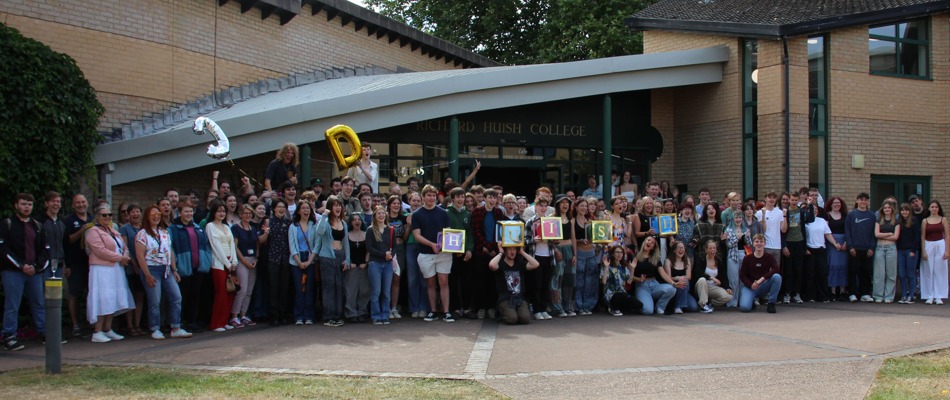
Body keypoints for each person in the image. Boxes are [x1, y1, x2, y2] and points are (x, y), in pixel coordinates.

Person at [1, 194, 50, 351]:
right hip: (13, 271)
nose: (27, 207)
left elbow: (45, 249)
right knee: (12, 304)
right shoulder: (7, 224)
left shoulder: (37, 225)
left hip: (34, 272)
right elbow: (4, 249)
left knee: (39, 303)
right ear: (16, 205)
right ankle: (9, 336)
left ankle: (43, 332)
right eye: (23, 204)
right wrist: (21, 265)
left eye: (29, 204)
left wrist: (36, 267)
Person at [135, 205, 191, 339]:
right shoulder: (142, 234)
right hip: (152, 269)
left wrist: (174, 269)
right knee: (155, 300)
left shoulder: (164, 232)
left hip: (166, 269)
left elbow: (169, 251)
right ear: (147, 216)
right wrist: (147, 274)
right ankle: (155, 328)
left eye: (158, 214)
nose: (156, 216)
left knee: (176, 297)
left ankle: (176, 327)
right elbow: (140, 256)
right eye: (152, 214)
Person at [84, 202, 136, 342]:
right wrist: (120, 258)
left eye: (109, 215)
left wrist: (125, 256)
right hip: (102, 269)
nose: (107, 217)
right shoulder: (92, 232)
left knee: (112, 297)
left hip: (115, 269)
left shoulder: (112, 230)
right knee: (103, 297)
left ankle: (108, 328)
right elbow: (100, 250)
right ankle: (97, 330)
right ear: (97, 216)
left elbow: (123, 245)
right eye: (104, 215)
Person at [168, 200, 213, 333]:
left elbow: (205, 245)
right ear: (180, 213)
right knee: (183, 296)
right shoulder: (173, 229)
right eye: (186, 211)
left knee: (195, 295)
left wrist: (206, 260)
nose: (189, 214)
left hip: (198, 267)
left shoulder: (198, 227)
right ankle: (180, 321)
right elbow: (171, 248)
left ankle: (192, 321)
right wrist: (175, 264)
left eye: (191, 211)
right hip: (183, 269)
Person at [413, 185, 455, 322]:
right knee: (430, 283)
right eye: (429, 195)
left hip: (443, 254)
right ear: (423, 197)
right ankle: (433, 311)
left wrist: (442, 245)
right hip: (425, 253)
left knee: (444, 281)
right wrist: (431, 245)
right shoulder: (417, 214)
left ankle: (446, 311)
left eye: (433, 196)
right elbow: (417, 235)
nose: (431, 198)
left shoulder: (444, 213)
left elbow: (447, 231)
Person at [315, 196, 350, 327]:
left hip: (340, 255)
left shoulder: (344, 224)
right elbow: (319, 231)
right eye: (334, 205)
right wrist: (324, 216)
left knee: (339, 286)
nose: (337, 208)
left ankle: (337, 315)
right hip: (327, 257)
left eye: (339, 205)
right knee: (329, 287)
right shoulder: (325, 222)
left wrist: (347, 259)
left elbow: (346, 243)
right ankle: (328, 316)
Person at [470, 189, 505, 319]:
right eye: (489, 197)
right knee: (480, 281)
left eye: (494, 198)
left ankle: (491, 307)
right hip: (481, 251)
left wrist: (494, 249)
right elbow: (476, 231)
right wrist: (486, 247)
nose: (492, 200)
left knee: (493, 282)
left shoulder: (498, 212)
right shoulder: (477, 212)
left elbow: (501, 231)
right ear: (484, 198)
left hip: (495, 251)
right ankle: (480, 308)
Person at [205, 200, 238, 332]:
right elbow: (216, 247)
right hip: (219, 264)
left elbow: (232, 245)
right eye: (219, 211)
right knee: (221, 294)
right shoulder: (210, 226)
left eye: (223, 211)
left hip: (230, 262)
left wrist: (234, 261)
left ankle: (225, 321)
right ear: (213, 212)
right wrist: (227, 263)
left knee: (230, 293)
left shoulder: (227, 227)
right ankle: (216, 323)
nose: (221, 213)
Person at [488, 245, 540, 325]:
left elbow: (536, 264)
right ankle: (506, 313)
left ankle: (517, 312)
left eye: (514, 249)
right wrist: (501, 253)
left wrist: (522, 252)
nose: (512, 252)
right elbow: (492, 265)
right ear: (505, 251)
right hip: (505, 299)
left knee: (525, 319)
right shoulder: (501, 264)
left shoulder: (519, 264)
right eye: (509, 249)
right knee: (512, 319)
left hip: (519, 298)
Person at [63, 193, 91, 337]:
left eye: (83, 202)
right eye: (78, 203)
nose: (81, 205)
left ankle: (90, 323)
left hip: (92, 264)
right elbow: (67, 241)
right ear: (73, 205)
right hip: (75, 264)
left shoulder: (93, 218)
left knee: (90, 294)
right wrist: (82, 230)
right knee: (75, 294)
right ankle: (75, 325)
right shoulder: (68, 221)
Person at [118, 203, 146, 337]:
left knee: (140, 297)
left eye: (137, 211)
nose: (135, 214)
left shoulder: (143, 229)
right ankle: (129, 325)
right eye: (132, 212)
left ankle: (137, 323)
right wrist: (134, 265)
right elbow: (125, 248)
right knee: (130, 296)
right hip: (131, 268)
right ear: (128, 215)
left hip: (143, 267)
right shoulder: (124, 229)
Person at [288, 201, 318, 325]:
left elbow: (316, 244)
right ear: (299, 211)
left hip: (310, 258)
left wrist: (310, 261)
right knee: (299, 288)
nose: (306, 210)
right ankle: (299, 316)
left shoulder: (313, 225)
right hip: (297, 259)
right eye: (303, 208)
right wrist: (299, 262)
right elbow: (292, 245)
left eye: (308, 208)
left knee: (310, 288)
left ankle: (309, 315)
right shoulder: (293, 226)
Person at [230, 205, 260, 327]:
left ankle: (243, 315)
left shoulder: (253, 228)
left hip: (253, 260)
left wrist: (256, 259)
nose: (247, 215)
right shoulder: (235, 228)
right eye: (245, 213)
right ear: (240, 214)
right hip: (242, 260)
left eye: (249, 213)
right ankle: (234, 316)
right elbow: (235, 246)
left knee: (249, 290)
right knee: (242, 289)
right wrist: (243, 260)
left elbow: (257, 244)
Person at [446, 187, 474, 318]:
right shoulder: (446, 213)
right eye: (458, 197)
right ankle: (455, 308)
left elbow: (470, 234)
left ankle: (467, 308)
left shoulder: (468, 214)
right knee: (453, 282)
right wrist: (454, 250)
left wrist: (469, 249)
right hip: (451, 254)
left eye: (462, 197)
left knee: (467, 281)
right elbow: (444, 233)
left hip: (465, 255)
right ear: (452, 199)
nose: (460, 199)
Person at [365, 206, 395, 325]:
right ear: (375, 216)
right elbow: (369, 247)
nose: (381, 215)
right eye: (379, 213)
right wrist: (383, 254)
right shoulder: (370, 230)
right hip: (375, 263)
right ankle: (376, 315)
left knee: (386, 292)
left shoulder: (390, 230)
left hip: (388, 264)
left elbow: (394, 247)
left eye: (383, 213)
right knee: (376, 292)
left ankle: (385, 314)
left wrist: (391, 255)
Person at [739, 234, 782, 313]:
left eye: (761, 242)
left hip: (763, 285)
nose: (759, 243)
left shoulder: (769, 257)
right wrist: (750, 284)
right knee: (745, 308)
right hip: (750, 287)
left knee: (777, 277)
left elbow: (776, 269)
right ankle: (751, 301)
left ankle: (771, 303)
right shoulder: (747, 258)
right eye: (757, 241)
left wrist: (762, 279)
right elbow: (742, 275)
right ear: (753, 243)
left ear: (765, 243)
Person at [845, 192, 876, 303]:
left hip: (867, 249)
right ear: (857, 200)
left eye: (865, 200)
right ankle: (852, 293)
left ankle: (865, 293)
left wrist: (872, 248)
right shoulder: (851, 215)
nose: (863, 202)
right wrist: (850, 247)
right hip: (854, 249)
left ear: (867, 202)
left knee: (866, 272)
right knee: (853, 271)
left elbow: (874, 234)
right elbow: (847, 232)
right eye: (861, 200)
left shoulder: (872, 216)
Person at [633, 236, 676, 315]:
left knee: (672, 289)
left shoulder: (655, 258)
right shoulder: (635, 257)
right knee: (648, 311)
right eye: (648, 240)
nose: (650, 242)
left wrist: (673, 283)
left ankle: (660, 307)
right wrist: (639, 279)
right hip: (642, 286)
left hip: (654, 284)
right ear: (644, 242)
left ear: (653, 247)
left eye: (652, 243)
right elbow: (629, 275)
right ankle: (644, 301)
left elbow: (663, 273)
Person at [265, 198, 292, 325]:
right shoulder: (269, 222)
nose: (281, 209)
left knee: (284, 288)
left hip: (286, 259)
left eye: (283, 207)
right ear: (274, 208)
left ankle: (283, 314)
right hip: (273, 258)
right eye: (279, 207)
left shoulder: (289, 222)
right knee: (273, 288)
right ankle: (273, 315)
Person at [804, 204, 837, 303]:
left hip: (821, 249)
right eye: (811, 209)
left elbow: (827, 234)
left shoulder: (822, 221)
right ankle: (810, 296)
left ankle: (823, 296)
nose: (814, 211)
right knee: (810, 274)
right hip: (810, 250)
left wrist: (835, 244)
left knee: (822, 273)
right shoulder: (805, 222)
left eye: (815, 209)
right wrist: (805, 248)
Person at [403, 192, 429, 318]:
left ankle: (424, 307)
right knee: (412, 278)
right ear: (409, 201)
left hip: (423, 246)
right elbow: (404, 237)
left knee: (423, 278)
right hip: (410, 246)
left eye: (418, 200)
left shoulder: (425, 214)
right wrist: (408, 225)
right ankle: (414, 307)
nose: (416, 203)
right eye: (414, 200)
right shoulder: (405, 215)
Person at [572, 197, 598, 315]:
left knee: (590, 281)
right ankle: (578, 306)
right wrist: (579, 241)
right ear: (576, 207)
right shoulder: (572, 221)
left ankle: (588, 306)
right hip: (580, 254)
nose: (584, 208)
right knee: (579, 281)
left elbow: (596, 238)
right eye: (581, 205)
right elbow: (572, 239)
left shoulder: (591, 220)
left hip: (591, 254)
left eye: (585, 206)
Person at [343, 212, 370, 323]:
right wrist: (349, 262)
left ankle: (363, 312)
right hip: (351, 266)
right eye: (354, 220)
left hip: (363, 266)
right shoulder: (347, 235)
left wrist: (366, 262)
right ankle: (351, 312)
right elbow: (344, 250)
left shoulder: (366, 234)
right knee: (350, 291)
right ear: (351, 222)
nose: (357, 221)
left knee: (364, 290)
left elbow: (369, 250)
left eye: (358, 219)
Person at [920, 201, 949, 304]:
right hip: (928, 244)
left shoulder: (943, 219)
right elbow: (923, 236)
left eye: (936, 207)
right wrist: (923, 251)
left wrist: (947, 250)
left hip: (940, 244)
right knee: (928, 270)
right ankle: (929, 295)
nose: (934, 209)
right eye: (932, 207)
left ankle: (939, 296)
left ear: (938, 208)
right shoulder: (925, 221)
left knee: (940, 271)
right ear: (929, 208)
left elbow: (946, 235)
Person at [552, 194, 575, 317]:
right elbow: (550, 238)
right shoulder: (552, 217)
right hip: (558, 249)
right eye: (562, 202)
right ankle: (557, 307)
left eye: (567, 202)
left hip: (569, 249)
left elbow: (573, 237)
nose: (565, 205)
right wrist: (555, 249)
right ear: (557, 204)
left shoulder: (571, 218)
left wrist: (575, 254)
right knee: (557, 278)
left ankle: (568, 306)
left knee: (570, 278)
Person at [694, 240, 733, 313]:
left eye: (714, 248)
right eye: (710, 248)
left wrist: (727, 287)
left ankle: (710, 304)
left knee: (728, 296)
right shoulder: (701, 259)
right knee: (702, 279)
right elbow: (698, 274)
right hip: (701, 287)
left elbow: (723, 277)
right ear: (706, 249)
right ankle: (703, 305)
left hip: (712, 288)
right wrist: (711, 278)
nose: (712, 250)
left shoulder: (718, 260)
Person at [601, 245, 642, 316]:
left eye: (621, 253)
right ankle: (612, 308)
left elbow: (629, 281)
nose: (619, 254)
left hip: (622, 293)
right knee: (619, 296)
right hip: (611, 295)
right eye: (617, 252)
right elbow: (604, 282)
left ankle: (618, 307)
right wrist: (606, 267)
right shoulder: (607, 266)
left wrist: (632, 269)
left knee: (639, 304)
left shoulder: (623, 267)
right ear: (613, 254)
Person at [872, 200, 900, 303]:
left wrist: (883, 235)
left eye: (888, 207)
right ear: (882, 210)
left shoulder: (896, 222)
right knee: (879, 274)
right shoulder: (879, 220)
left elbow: (896, 237)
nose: (887, 209)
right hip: (880, 248)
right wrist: (889, 234)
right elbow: (876, 234)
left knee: (891, 274)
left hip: (891, 249)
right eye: (885, 208)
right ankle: (878, 295)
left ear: (892, 209)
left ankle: (889, 296)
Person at [386, 195, 408, 319]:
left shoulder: (403, 218)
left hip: (400, 249)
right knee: (386, 280)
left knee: (396, 279)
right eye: (393, 203)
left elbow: (404, 238)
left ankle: (394, 307)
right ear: (389, 205)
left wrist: (408, 226)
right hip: (387, 250)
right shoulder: (384, 217)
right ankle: (386, 307)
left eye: (398, 203)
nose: (396, 205)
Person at [824, 196, 849, 301]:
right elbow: (826, 231)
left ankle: (842, 291)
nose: (837, 204)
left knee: (843, 267)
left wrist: (846, 243)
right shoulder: (827, 216)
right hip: (832, 243)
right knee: (833, 266)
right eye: (834, 203)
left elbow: (849, 230)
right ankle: (833, 291)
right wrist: (835, 244)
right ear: (830, 204)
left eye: (838, 203)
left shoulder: (845, 215)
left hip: (844, 244)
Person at [896, 203, 921, 304]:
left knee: (911, 274)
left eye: (906, 210)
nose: (904, 212)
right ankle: (904, 295)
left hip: (911, 251)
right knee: (902, 274)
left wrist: (913, 250)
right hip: (901, 251)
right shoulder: (899, 222)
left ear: (909, 211)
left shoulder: (914, 221)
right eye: (902, 210)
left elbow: (917, 237)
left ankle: (911, 295)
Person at [665, 241, 697, 314]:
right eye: (679, 248)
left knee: (693, 307)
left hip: (684, 289)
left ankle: (680, 304)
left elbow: (689, 276)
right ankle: (678, 306)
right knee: (684, 281)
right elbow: (668, 277)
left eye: (683, 248)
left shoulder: (687, 260)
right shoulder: (668, 261)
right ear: (674, 250)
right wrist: (677, 278)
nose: (681, 250)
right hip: (673, 287)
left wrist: (682, 278)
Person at [756, 193, 786, 264]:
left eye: (774, 198)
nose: (772, 200)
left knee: (775, 270)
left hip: (777, 246)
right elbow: (763, 230)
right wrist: (763, 215)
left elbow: (783, 230)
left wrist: (785, 216)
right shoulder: (759, 213)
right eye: (770, 197)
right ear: (765, 198)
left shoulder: (780, 212)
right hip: (765, 246)